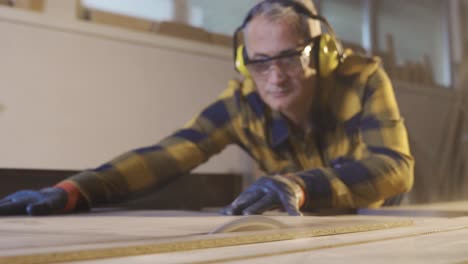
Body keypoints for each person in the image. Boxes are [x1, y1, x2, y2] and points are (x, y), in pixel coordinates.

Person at [0, 0, 413, 216]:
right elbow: (168, 154)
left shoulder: (361, 78)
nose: (275, 76)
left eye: (289, 57)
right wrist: (75, 190)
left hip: (374, 211)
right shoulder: (241, 105)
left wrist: (304, 184)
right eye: (260, 61)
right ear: (244, 62)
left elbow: (394, 167)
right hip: (298, 214)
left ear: (321, 55)